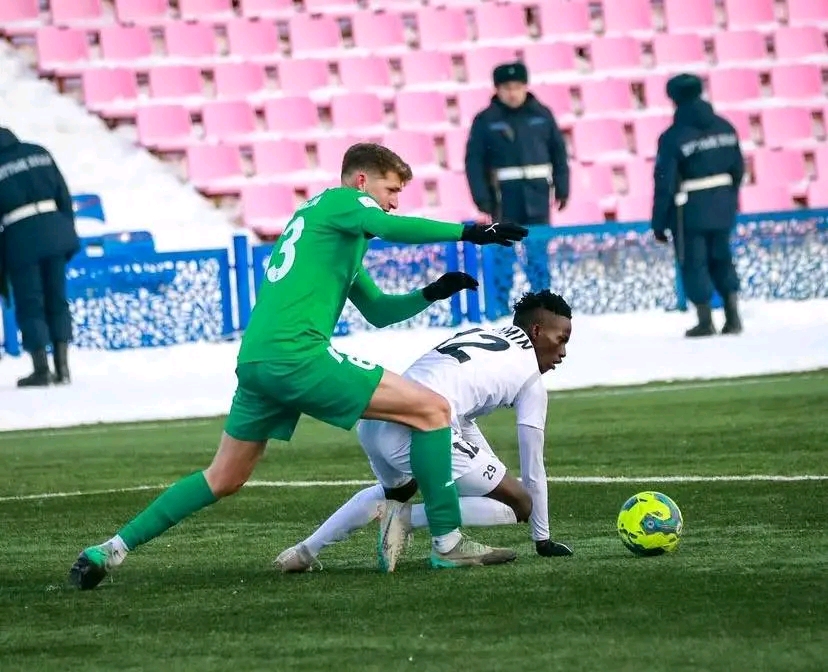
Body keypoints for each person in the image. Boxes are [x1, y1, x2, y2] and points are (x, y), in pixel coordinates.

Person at [68, 143, 528, 590]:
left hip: (258, 360)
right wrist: (470, 232)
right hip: (297, 354)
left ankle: (110, 548)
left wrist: (433, 291)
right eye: (391, 191)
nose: (393, 203)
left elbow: (377, 311)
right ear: (363, 181)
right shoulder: (345, 202)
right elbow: (391, 227)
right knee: (432, 410)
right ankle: (447, 543)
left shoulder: (330, 228)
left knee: (223, 477)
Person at [275, 290, 574, 573]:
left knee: (399, 490)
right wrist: (542, 539)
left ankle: (304, 551)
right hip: (419, 427)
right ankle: (405, 519)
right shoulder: (531, 380)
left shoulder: (481, 334)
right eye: (561, 339)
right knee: (520, 502)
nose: (562, 353)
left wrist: (491, 467)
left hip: (375, 422)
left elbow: (463, 416)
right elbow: (533, 469)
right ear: (536, 331)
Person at [465, 62, 570, 319]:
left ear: (525, 87)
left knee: (538, 252)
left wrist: (563, 186)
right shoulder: (486, 120)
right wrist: (482, 199)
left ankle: (543, 306)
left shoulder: (542, 114)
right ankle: (501, 306)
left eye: (517, 87)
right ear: (497, 89)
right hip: (503, 197)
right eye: (506, 87)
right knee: (503, 253)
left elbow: (559, 154)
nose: (512, 93)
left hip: (537, 194)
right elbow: (474, 162)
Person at [651, 73, 746, 338]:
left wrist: (658, 222)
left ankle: (705, 321)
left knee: (694, 262)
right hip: (723, 205)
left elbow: (664, 182)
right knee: (722, 259)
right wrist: (728, 198)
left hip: (689, 210)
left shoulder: (673, 137)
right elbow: (738, 168)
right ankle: (733, 317)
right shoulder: (725, 127)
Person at [0, 126, 79, 386]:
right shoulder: (39, 152)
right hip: (55, 230)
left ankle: (41, 369)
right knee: (57, 299)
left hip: (20, 238)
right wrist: (68, 231)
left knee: (31, 303)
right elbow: (63, 195)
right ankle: (63, 368)